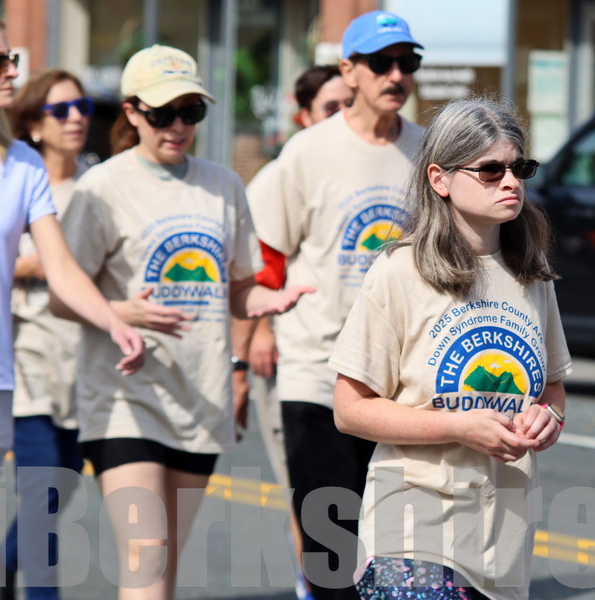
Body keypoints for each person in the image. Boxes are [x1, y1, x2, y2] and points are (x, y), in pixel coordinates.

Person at [56, 44, 309, 600]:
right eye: (162, 113)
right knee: (146, 558)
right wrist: (122, 312)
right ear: (131, 112)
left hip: (199, 398)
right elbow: (61, 297)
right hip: (125, 399)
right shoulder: (102, 188)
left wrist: (267, 301)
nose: (177, 126)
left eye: (190, 112)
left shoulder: (223, 185)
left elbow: (237, 290)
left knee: (163, 565)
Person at [331, 96, 571, 600]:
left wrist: (548, 418)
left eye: (520, 168)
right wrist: (457, 426)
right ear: (440, 179)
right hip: (410, 530)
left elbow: (552, 389)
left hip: (504, 539)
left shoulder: (532, 276)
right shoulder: (398, 272)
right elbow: (350, 409)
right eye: (490, 170)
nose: (510, 182)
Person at [0, 7, 144, 598]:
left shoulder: (20, 164)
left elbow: (61, 266)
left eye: (12, 59)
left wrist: (113, 320)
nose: (12, 70)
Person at [246, 11, 425, 599]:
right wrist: (254, 341)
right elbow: (266, 257)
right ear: (348, 70)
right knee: (330, 553)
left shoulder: (427, 151)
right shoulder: (308, 151)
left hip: (398, 385)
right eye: (381, 63)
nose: (396, 74)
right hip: (317, 375)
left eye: (407, 62)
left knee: (395, 552)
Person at [0, 68, 97, 600]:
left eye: (83, 108)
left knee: (60, 485)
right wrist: (35, 264)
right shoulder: (14, 180)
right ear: (34, 125)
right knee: (44, 489)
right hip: (27, 358)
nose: (75, 119)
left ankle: (0, 561)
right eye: (60, 110)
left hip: (82, 363)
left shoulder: (95, 186)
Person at [230, 62, 353, 600]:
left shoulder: (372, 163)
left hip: (364, 362)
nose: (342, 115)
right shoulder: (291, 168)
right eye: (331, 107)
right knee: (309, 495)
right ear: (303, 116)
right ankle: (311, 586)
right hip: (298, 356)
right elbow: (260, 267)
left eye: (348, 105)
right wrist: (258, 336)